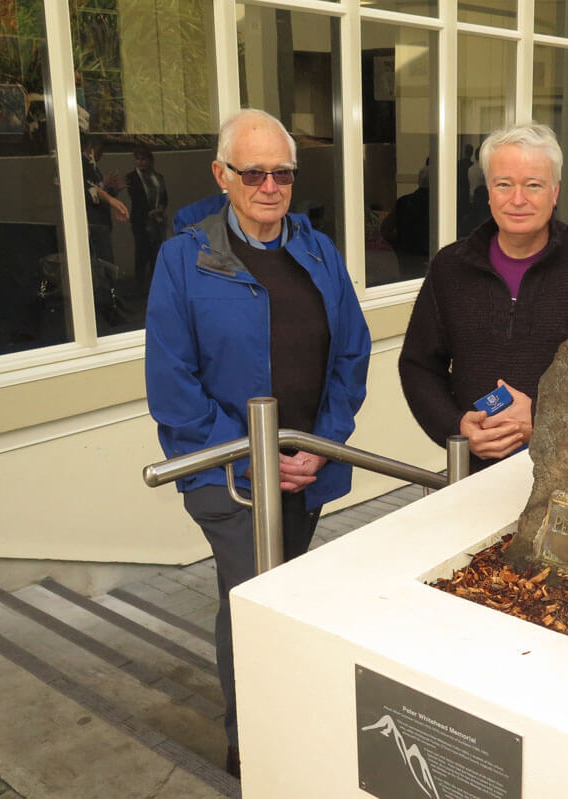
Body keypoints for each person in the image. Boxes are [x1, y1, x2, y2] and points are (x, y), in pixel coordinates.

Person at [144, 108, 370, 779]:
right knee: (252, 596)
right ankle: (254, 738)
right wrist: (252, 454)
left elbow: (351, 354)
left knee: (285, 593)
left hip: (307, 471)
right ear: (222, 174)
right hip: (229, 477)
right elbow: (172, 382)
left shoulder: (318, 250)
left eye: (282, 173)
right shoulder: (185, 258)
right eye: (253, 172)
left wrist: (323, 444)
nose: (269, 185)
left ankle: (284, 714)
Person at [398, 122, 568, 473]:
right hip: (474, 472)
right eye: (504, 184)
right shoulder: (450, 269)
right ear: (488, 191)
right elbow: (419, 365)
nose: (518, 200)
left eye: (533, 185)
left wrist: (544, 417)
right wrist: (455, 427)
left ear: (555, 192)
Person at [125, 146, 168, 294]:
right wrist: (149, 212)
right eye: (138, 159)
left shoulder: (158, 177)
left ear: (150, 161)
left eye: (143, 159)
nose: (140, 162)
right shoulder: (131, 177)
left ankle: (156, 283)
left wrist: (160, 208)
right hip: (141, 220)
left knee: (156, 251)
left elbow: (164, 196)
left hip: (158, 219)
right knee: (142, 250)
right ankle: (140, 284)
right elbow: (136, 198)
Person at [81, 136, 129, 264]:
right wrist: (103, 184)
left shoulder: (93, 167)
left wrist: (114, 190)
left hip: (102, 222)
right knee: (104, 262)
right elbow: (89, 192)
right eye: (100, 149)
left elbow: (100, 192)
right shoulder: (82, 165)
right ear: (91, 148)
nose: (102, 154)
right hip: (95, 222)